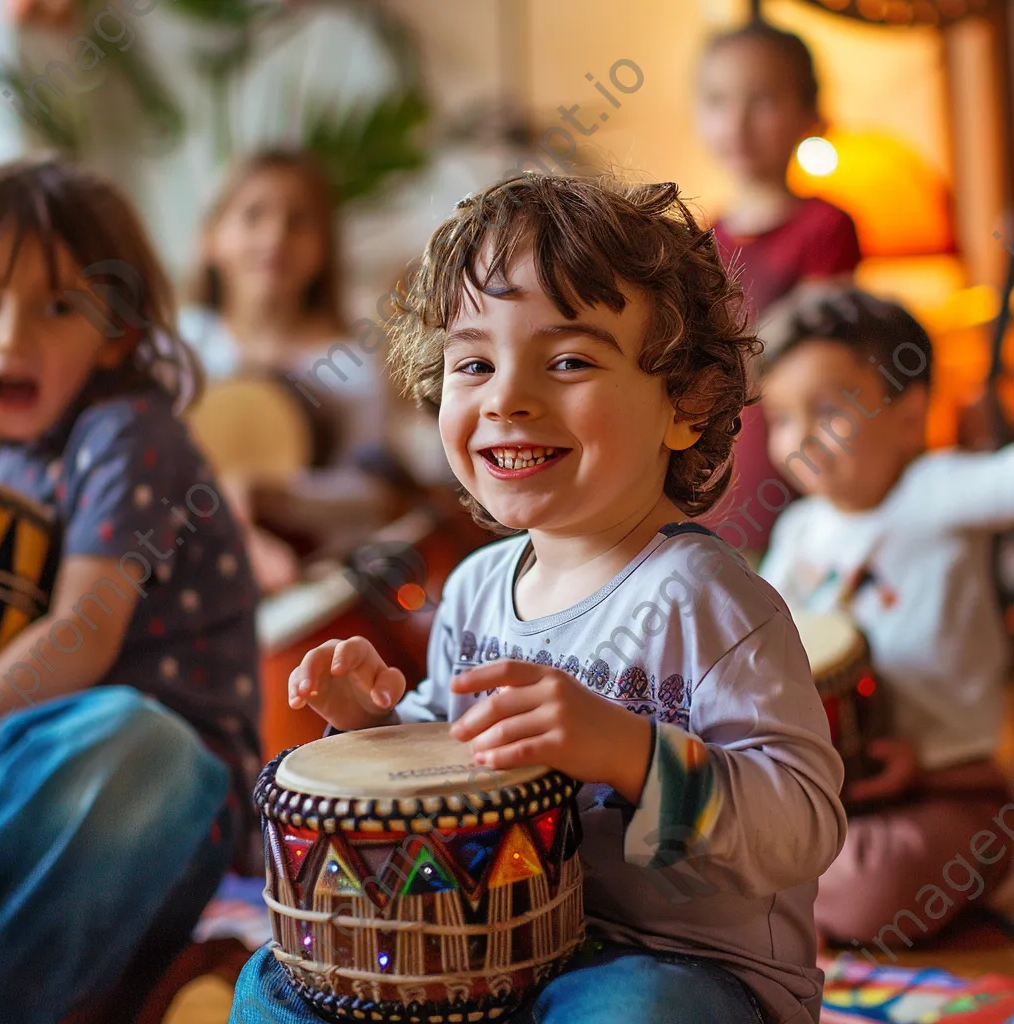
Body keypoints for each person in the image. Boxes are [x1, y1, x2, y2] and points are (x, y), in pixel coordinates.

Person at [229, 174, 847, 1024]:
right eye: (474, 362)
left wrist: (630, 754)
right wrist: (370, 728)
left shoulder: (707, 603)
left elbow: (804, 822)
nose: (508, 398)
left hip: (683, 972)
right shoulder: (478, 589)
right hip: (494, 954)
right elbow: (449, 768)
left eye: (568, 361)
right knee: (274, 982)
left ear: (686, 403)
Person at [0, 158, 261, 1022]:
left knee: (137, 741)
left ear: (116, 336)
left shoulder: (126, 432)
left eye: (56, 307)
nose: (8, 338)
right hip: (20, 770)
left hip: (162, 801)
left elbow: (80, 635)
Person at [758, 285, 1014, 951]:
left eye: (829, 410)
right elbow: (757, 639)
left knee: (877, 884)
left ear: (909, 414)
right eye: (783, 419)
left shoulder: (937, 493)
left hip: (949, 785)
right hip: (842, 790)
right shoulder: (800, 528)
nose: (800, 439)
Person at [180, 148, 399, 593]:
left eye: (298, 221)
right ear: (211, 237)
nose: (275, 236)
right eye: (253, 216)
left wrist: (281, 495)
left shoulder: (351, 365)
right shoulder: (183, 347)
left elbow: (375, 496)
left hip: (311, 587)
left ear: (324, 248)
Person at [695, 20, 862, 552]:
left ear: (810, 115)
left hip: (798, 448)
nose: (738, 124)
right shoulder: (702, 239)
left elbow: (814, 350)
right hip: (721, 457)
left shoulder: (826, 227)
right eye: (718, 101)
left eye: (763, 101)